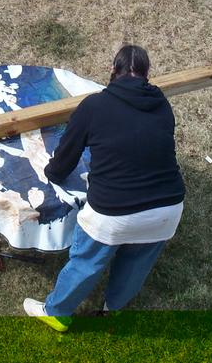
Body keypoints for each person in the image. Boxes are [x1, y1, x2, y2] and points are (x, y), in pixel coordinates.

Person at [23, 45, 185, 332]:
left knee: (87, 261)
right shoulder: (161, 104)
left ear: (112, 71)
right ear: (147, 73)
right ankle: (114, 309)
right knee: (137, 262)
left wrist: (51, 172)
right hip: (167, 208)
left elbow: (66, 157)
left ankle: (56, 312)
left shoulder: (94, 106)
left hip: (113, 212)